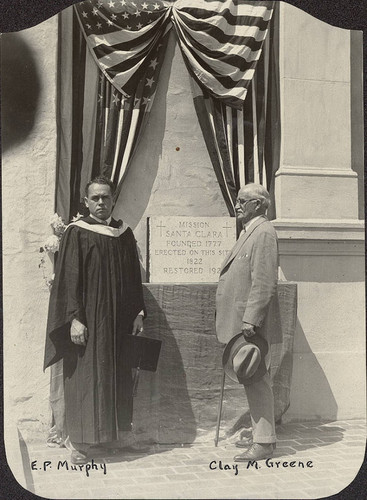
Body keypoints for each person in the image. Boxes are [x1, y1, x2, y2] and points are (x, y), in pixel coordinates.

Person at [44, 176, 148, 464]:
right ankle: (79, 443)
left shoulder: (123, 233)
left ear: (113, 199)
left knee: (116, 375)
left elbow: (133, 278)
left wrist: (138, 312)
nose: (101, 202)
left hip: (117, 322)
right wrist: (74, 319)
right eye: (95, 198)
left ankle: (112, 438)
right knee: (85, 378)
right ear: (86, 201)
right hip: (87, 321)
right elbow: (68, 280)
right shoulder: (76, 233)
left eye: (105, 197)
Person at [216, 183, 278, 462]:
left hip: (250, 324)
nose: (237, 205)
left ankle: (264, 443)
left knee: (256, 378)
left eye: (242, 201)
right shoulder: (250, 231)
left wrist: (251, 318)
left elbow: (264, 282)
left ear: (258, 205)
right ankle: (260, 437)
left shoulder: (263, 232)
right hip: (242, 322)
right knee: (251, 377)